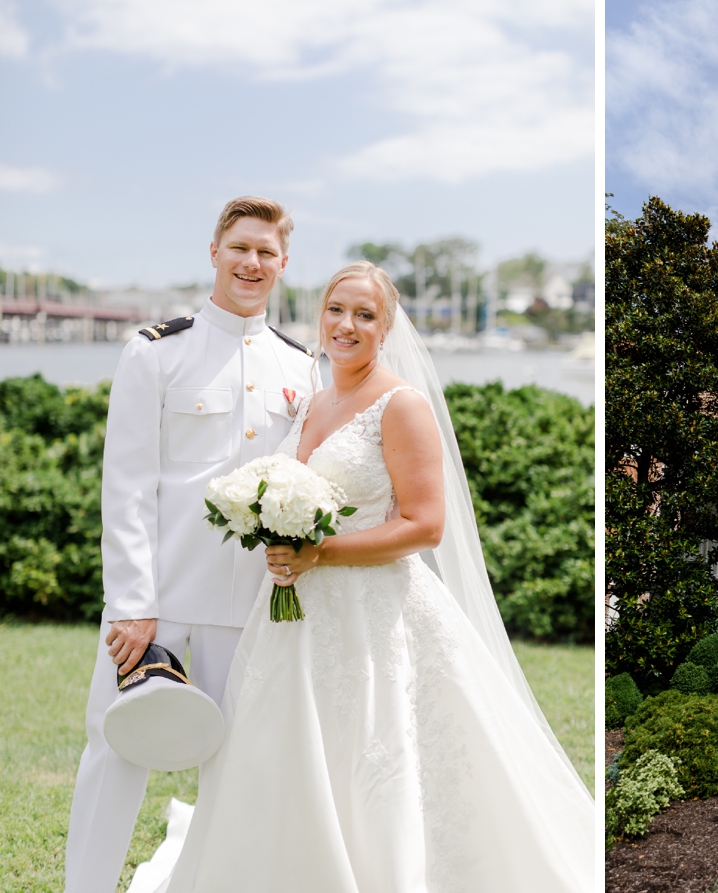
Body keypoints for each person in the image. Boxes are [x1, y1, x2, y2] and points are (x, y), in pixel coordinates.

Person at [147, 261, 593, 892]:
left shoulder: (400, 405)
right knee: (287, 751)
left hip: (375, 613)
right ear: (320, 315)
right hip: (297, 612)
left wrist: (321, 551)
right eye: (336, 310)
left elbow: (425, 525)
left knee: (376, 754)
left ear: (386, 328)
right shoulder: (312, 400)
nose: (347, 325)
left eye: (364, 315)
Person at [64, 197, 319, 893]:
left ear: (283, 264)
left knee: (241, 773)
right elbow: (126, 488)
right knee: (115, 757)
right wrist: (132, 604)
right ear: (215, 250)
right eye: (240, 246)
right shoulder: (156, 351)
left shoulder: (300, 367)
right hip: (163, 603)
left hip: (254, 612)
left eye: (267, 252)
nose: (252, 262)